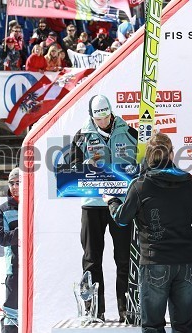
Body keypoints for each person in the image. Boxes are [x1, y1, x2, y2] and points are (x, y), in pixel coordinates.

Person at [104, 132, 192, 333]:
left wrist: (111, 201)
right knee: (184, 327)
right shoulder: (189, 181)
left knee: (153, 327)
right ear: (171, 154)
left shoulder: (140, 184)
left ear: (148, 156)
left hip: (156, 261)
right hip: (185, 261)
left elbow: (121, 219)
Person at [69, 94, 138, 322]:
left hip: (120, 204)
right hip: (93, 204)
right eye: (99, 119)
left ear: (111, 112)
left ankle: (126, 310)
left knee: (125, 258)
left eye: (107, 116)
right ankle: (94, 310)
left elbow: (142, 160)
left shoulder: (127, 131)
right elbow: (70, 167)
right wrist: (84, 166)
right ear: (91, 117)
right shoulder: (82, 136)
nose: (104, 121)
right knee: (91, 259)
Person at [0, 168, 20, 333]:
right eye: (12, 183)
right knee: (12, 310)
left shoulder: (35, 204)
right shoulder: (3, 209)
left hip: (36, 266)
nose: (15, 186)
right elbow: (2, 238)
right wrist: (22, 230)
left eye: (19, 183)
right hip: (14, 268)